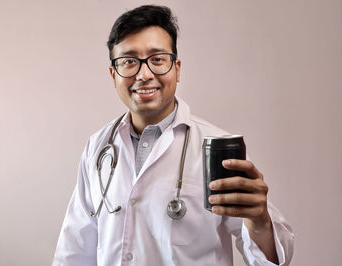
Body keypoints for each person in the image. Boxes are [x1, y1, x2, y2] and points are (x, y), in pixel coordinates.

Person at [53, 5, 294, 266]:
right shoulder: (98, 148)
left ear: (177, 69)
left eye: (157, 59)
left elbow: (270, 261)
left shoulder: (216, 148)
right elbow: (74, 249)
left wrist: (259, 222)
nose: (144, 75)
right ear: (114, 75)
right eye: (129, 62)